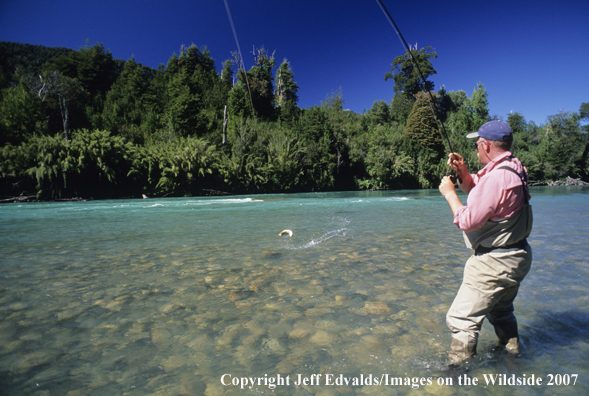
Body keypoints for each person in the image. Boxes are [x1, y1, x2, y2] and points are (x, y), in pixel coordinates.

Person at [438, 120, 533, 366]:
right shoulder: (513, 167)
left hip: (494, 262)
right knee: (501, 312)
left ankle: (457, 375)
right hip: (516, 257)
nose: (476, 148)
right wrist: (463, 173)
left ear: (487, 145)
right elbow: (478, 191)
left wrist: (450, 194)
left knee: (461, 320)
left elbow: (470, 220)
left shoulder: (497, 178)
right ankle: (513, 358)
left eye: (478, 144)